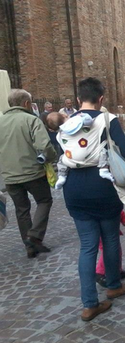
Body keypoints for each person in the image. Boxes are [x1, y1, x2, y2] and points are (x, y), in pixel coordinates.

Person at [61, 77, 125, 321]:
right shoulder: (107, 119)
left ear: (77, 100)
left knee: (87, 246)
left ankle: (89, 304)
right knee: (111, 238)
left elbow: (59, 149)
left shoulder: (67, 122)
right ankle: (114, 285)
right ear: (101, 99)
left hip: (74, 188)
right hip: (102, 187)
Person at [0, 89, 56, 258]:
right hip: (33, 173)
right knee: (44, 200)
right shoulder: (31, 120)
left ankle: (29, 246)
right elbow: (45, 146)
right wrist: (52, 157)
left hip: (10, 175)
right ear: (25, 103)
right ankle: (34, 236)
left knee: (21, 209)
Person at [45, 112, 114, 189]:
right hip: (93, 158)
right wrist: (83, 116)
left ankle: (62, 176)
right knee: (103, 151)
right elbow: (89, 121)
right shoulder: (76, 121)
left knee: (62, 159)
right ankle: (103, 169)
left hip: (72, 160)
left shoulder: (60, 135)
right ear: (64, 115)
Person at [96, 210, 125, 288]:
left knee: (116, 251)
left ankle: (117, 270)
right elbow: (117, 208)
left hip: (104, 229)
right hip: (103, 231)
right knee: (109, 251)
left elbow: (118, 209)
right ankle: (100, 272)